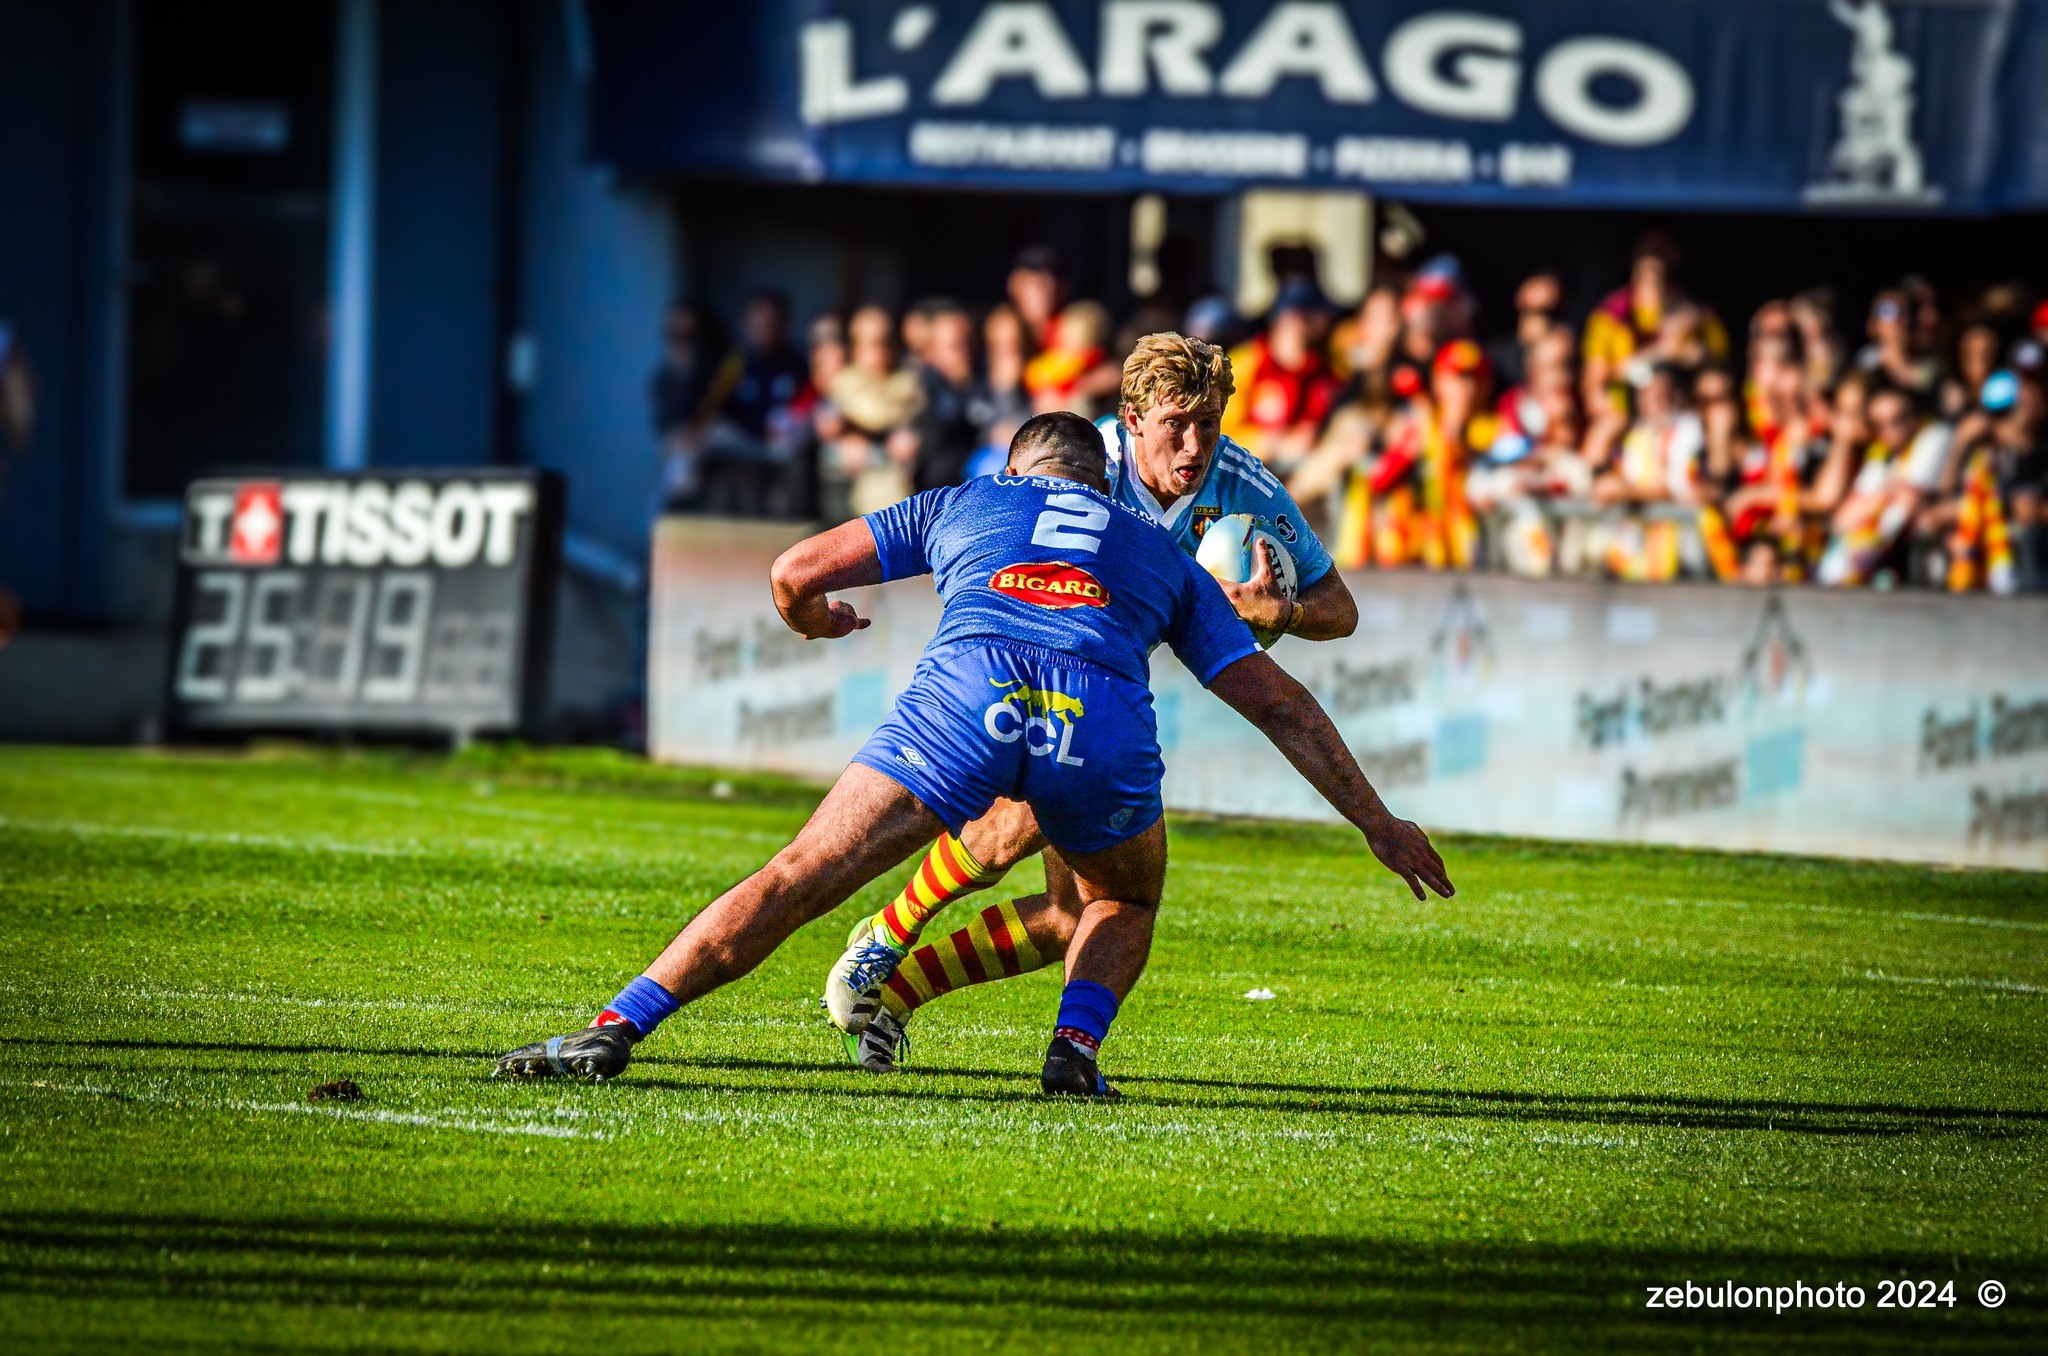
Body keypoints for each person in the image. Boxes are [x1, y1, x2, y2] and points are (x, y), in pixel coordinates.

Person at [495, 413, 1451, 1096]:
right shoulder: (1164, 555)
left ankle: (617, 1027)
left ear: (1015, 467)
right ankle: (1072, 1051)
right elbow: (1279, 702)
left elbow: (793, 570)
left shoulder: (966, 502)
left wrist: (816, 621)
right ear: (1104, 472)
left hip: (967, 702)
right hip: (1098, 726)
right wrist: (1380, 822)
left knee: (799, 874)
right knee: (1122, 897)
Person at [821, 334, 1366, 1070]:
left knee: (1065, 916)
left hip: (1109, 681)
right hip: (1021, 657)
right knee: (1017, 830)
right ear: (1133, 419)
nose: (1196, 442)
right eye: (1178, 422)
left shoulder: (1246, 486)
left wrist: (1283, 614)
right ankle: (890, 939)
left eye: (1211, 421)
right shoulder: (1082, 468)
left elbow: (1341, 608)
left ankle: (892, 988)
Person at [1816, 384, 1953, 586]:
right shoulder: (1878, 460)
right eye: (1878, 424)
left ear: (1915, 417)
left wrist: (1874, 502)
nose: (1889, 430)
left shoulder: (1936, 438)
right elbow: (1841, 521)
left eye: (1897, 420)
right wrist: (1887, 494)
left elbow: (1909, 500)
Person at [1221, 282, 1342, 474]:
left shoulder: (1323, 367)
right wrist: (1273, 444)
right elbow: (1219, 433)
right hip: (1247, 470)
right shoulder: (1247, 362)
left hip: (1304, 467)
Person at [818, 305, 924, 521]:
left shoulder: (908, 386)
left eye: (885, 341)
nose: (879, 351)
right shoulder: (844, 386)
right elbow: (829, 431)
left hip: (900, 498)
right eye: (872, 343)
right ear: (856, 347)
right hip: (848, 502)